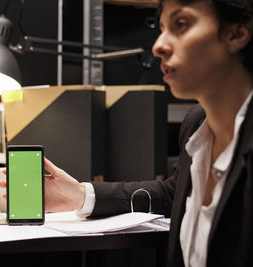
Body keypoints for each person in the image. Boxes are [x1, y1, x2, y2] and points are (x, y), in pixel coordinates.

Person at [40, 0, 253, 266]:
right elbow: (171, 195)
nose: (158, 45)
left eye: (182, 24)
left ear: (236, 33)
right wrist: (80, 195)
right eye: (162, 27)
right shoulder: (197, 125)